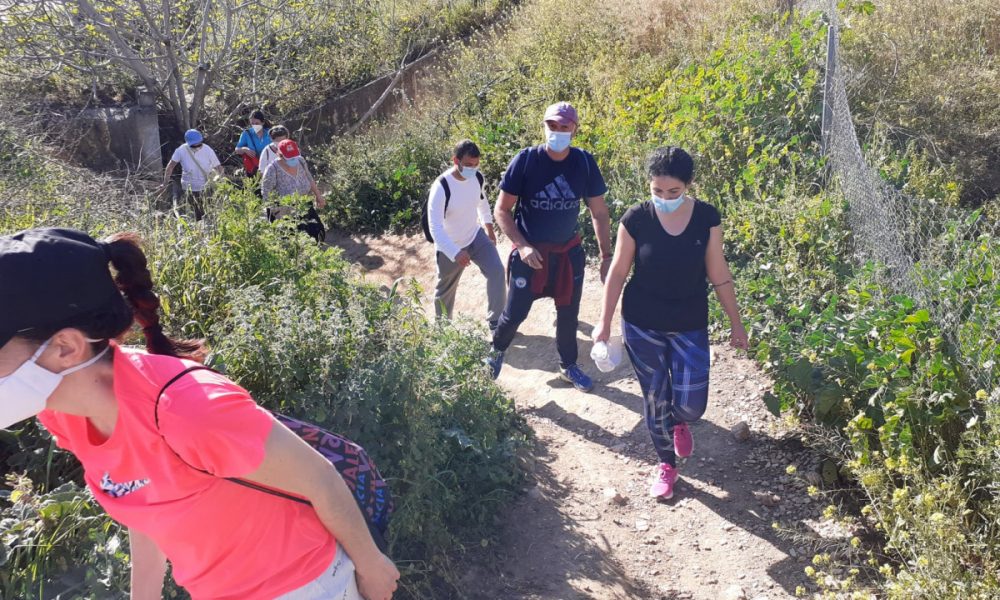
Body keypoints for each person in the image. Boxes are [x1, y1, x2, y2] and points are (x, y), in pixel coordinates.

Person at [0, 227, 400, 599]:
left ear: (66, 348)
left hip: (306, 586)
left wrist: (372, 567)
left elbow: (320, 479)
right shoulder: (65, 415)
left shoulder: (188, 410)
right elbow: (147, 506)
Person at [594, 146, 749, 500]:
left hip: (689, 322)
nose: (664, 198)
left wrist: (736, 324)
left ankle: (680, 421)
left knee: (693, 404)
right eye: (657, 191)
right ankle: (666, 464)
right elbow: (617, 272)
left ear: (688, 185)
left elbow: (719, 273)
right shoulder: (636, 219)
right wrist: (604, 323)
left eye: (673, 191)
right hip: (641, 323)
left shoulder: (706, 218)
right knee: (655, 397)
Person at [487, 102, 612, 392]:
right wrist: (522, 246)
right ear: (543, 126)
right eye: (552, 126)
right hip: (530, 255)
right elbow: (502, 210)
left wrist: (606, 256)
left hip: (567, 254)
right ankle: (496, 352)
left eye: (564, 126)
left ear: (574, 129)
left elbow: (599, 212)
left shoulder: (583, 163)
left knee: (568, 313)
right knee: (515, 313)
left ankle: (568, 366)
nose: (557, 131)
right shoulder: (526, 161)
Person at [427, 140, 506, 329]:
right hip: (450, 245)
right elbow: (435, 228)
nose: (473, 169)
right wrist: (455, 252)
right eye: (469, 164)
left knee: (497, 271)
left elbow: (482, 203)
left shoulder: (477, 177)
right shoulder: (441, 187)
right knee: (445, 291)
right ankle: (443, 331)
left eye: (476, 164)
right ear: (456, 160)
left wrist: (489, 229)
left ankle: (496, 321)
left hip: (474, 236)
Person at [261, 139, 327, 242]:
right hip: (284, 211)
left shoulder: (300, 161)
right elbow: (266, 193)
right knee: (292, 241)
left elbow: (309, 178)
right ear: (280, 155)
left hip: (304, 204)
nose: (293, 159)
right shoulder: (272, 169)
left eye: (295, 156)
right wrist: (277, 214)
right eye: (290, 157)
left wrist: (318, 195)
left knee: (318, 233)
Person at [162, 129, 223, 221]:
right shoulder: (181, 150)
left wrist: (222, 181)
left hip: (206, 186)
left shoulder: (207, 150)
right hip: (189, 187)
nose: (198, 147)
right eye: (195, 145)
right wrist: (165, 183)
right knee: (196, 211)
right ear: (188, 143)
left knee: (209, 210)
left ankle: (207, 224)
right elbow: (170, 166)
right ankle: (199, 225)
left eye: (199, 144)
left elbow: (218, 167)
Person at [235, 110, 273, 176]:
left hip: (269, 167)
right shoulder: (246, 133)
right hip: (254, 170)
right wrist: (244, 149)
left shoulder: (270, 133)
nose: (255, 126)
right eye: (252, 124)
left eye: (257, 123)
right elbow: (237, 150)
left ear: (263, 122)